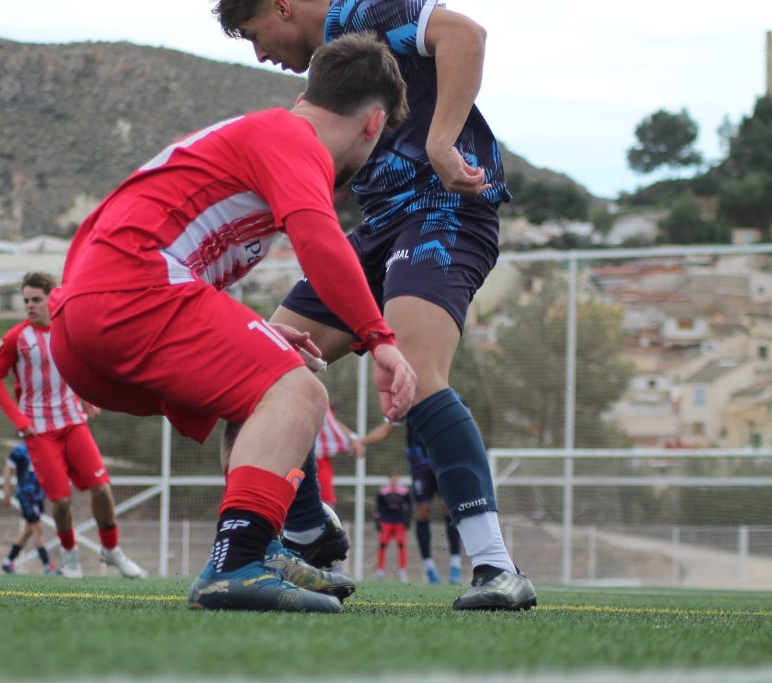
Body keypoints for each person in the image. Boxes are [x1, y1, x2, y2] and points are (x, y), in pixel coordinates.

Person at [48, 33, 416, 613]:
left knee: (259, 391)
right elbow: (321, 242)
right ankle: (235, 563)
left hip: (86, 318)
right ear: (373, 124)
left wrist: (257, 337)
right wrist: (381, 338)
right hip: (129, 293)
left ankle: (259, 546)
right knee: (300, 393)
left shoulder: (262, 137)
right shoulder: (293, 140)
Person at [214, 0, 537, 610]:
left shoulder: (363, 10)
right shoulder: (328, 71)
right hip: (376, 229)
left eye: (255, 35)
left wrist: (442, 142)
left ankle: (496, 566)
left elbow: (465, 35)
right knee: (259, 370)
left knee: (416, 373)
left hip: (443, 212)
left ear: (282, 6)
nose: (258, 54)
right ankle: (306, 530)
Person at [0, 272, 146, 580]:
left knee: (102, 488)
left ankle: (112, 550)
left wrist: (89, 396)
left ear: (52, 298)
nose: (30, 305)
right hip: (39, 431)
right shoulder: (17, 338)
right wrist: (20, 420)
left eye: (36, 299)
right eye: (26, 300)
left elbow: (81, 366)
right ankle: (70, 558)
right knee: (60, 501)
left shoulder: (68, 331)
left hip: (74, 423)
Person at [365, 420, 462, 584]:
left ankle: (455, 564)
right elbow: (390, 423)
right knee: (423, 511)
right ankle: (429, 567)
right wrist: (363, 441)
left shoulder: (451, 405)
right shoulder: (408, 404)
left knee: (448, 508)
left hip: (444, 454)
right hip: (419, 458)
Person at [0, 442, 60, 575]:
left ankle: (8, 561)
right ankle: (47, 565)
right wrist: (7, 491)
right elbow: (8, 469)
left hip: (38, 496)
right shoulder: (21, 450)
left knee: (28, 531)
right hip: (27, 496)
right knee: (38, 530)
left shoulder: (45, 447)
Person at [374, 471, 412, 581]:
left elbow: (410, 506)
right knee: (382, 545)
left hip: (399, 522)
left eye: (395, 479)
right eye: (392, 479)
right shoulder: (382, 492)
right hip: (386, 522)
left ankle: (402, 572)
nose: (394, 481)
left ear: (398, 479)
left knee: (401, 545)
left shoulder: (404, 492)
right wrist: (378, 520)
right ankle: (380, 571)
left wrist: (407, 519)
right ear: (389, 479)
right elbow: (378, 507)